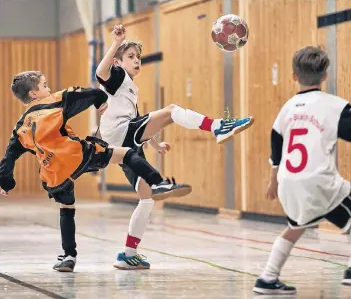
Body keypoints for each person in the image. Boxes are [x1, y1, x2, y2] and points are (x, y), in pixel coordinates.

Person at [95, 24, 255, 270]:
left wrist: (155, 144)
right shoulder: (117, 77)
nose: (137, 61)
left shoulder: (128, 89)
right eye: (131, 57)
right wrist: (116, 43)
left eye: (138, 57)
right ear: (119, 62)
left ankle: (128, 253)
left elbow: (138, 123)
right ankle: (217, 126)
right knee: (171, 111)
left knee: (146, 199)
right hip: (119, 136)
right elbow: (100, 71)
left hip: (122, 144)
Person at [0, 71, 191, 272]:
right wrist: (100, 102)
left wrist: (5, 182)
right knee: (125, 153)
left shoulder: (20, 127)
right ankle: (157, 182)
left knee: (67, 208)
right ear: (34, 93)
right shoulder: (54, 101)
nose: (48, 88)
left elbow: (9, 157)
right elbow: (89, 94)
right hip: (76, 154)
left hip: (54, 172)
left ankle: (69, 256)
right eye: (44, 85)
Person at [253, 46, 351, 295]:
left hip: (289, 182)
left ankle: (267, 278)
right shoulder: (335, 106)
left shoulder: (287, 109)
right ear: (325, 75)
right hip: (319, 181)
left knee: (296, 227)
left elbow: (276, 146)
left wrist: (272, 181)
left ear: (294, 76)